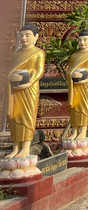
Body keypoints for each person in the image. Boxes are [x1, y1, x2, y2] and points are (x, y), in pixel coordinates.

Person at [6, 24, 45, 158]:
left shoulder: (38, 53)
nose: (24, 38)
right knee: (14, 118)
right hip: (14, 90)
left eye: (27, 35)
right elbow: (10, 71)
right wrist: (11, 78)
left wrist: (29, 81)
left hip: (29, 90)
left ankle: (26, 148)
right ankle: (15, 148)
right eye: (21, 35)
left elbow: (38, 70)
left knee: (26, 117)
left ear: (35, 37)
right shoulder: (15, 54)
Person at [66, 30, 88, 140]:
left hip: (86, 85)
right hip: (75, 85)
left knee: (84, 107)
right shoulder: (74, 56)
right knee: (75, 107)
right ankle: (74, 131)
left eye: (85, 40)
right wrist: (72, 74)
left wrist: (87, 77)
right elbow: (69, 69)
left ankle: (83, 131)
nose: (82, 42)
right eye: (80, 40)